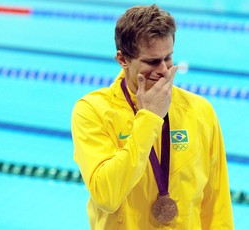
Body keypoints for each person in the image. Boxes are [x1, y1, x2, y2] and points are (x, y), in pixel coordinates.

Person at [71, 4, 234, 229]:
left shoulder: (199, 111)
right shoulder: (92, 111)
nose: (164, 70)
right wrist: (149, 117)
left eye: (168, 58)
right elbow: (107, 196)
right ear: (123, 59)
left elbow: (216, 203)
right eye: (152, 62)